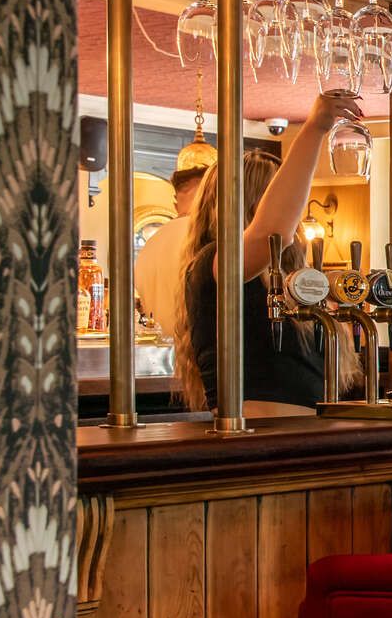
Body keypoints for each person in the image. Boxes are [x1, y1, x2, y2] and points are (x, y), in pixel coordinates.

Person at [176, 90, 363, 415]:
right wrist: (315, 127)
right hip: (254, 447)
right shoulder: (211, 264)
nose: (295, 207)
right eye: (285, 195)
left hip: (306, 442)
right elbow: (273, 232)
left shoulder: (291, 284)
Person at [132, 165, 207, 341]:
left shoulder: (150, 245)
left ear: (175, 203)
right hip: (197, 351)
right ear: (208, 195)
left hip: (161, 354)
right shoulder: (202, 238)